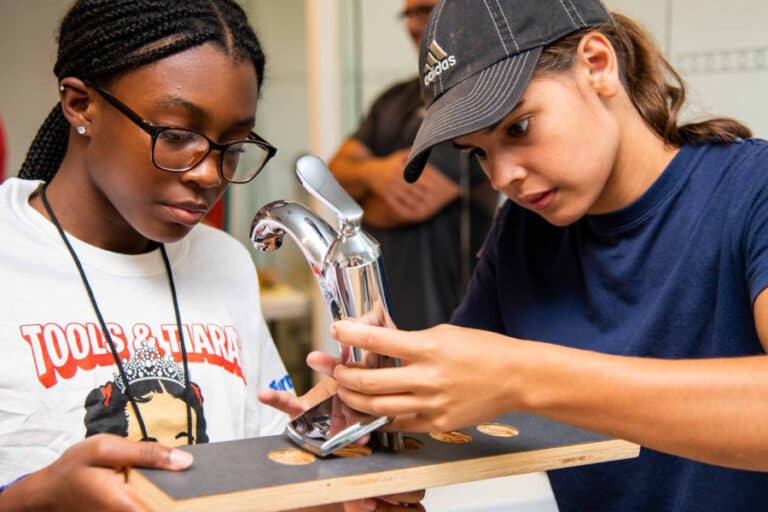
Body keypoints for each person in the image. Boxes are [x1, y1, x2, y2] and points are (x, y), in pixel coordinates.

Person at [315, 0, 768, 510]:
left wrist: (522, 377)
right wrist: (370, 416)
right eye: (478, 152)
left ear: (597, 64)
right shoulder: (524, 234)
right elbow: (449, 405)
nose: (501, 176)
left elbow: (509, 376)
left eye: (519, 128)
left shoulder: (753, 190)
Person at [0, 1, 422, 510]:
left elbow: (254, 487)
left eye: (235, 145)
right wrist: (35, 498)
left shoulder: (225, 262)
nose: (210, 174)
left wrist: (346, 491)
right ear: (80, 104)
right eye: (176, 136)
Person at [328, 0, 497, 330]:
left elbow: (408, 201)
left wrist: (358, 202)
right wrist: (375, 173)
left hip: (455, 318)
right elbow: (334, 177)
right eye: (409, 13)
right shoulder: (393, 100)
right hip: (385, 311)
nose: (415, 24)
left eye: (426, 10)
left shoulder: (479, 100)